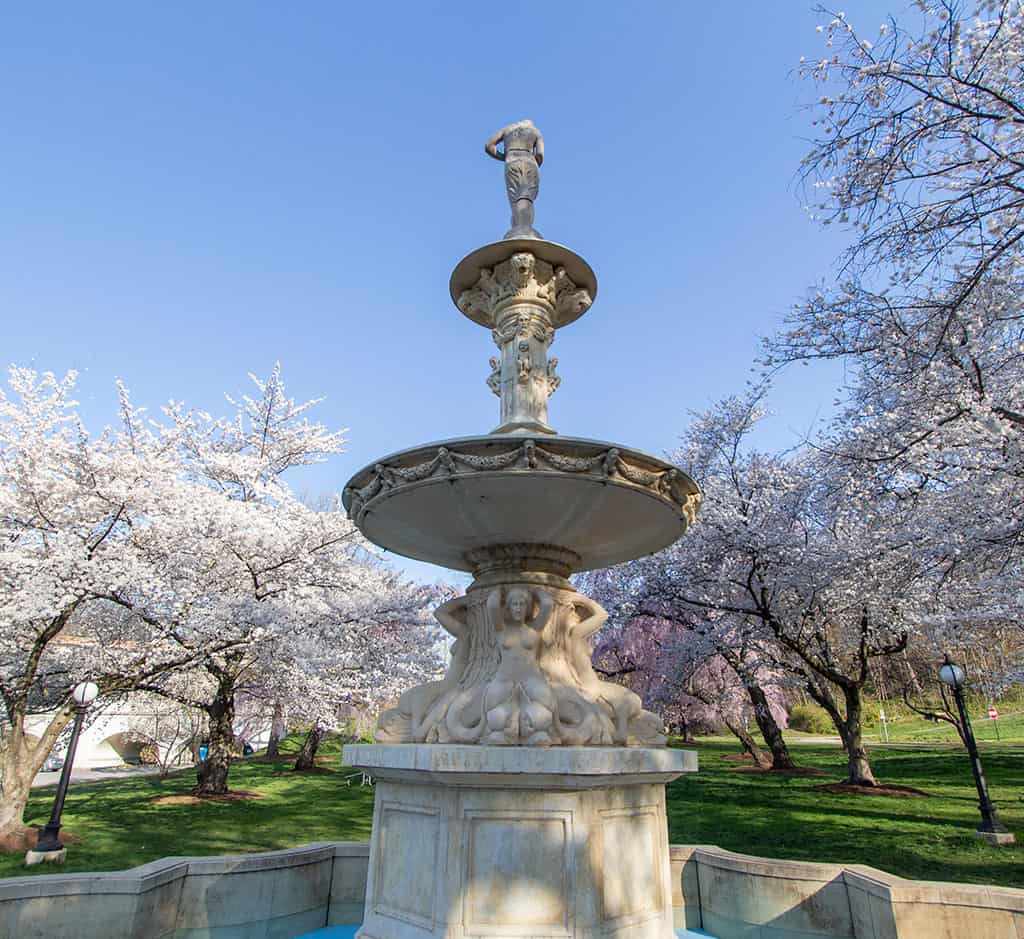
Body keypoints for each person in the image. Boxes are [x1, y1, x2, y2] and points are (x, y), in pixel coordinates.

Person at [484, 119, 544, 238]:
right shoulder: (535, 132)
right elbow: (540, 154)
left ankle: (518, 226)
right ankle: (524, 228)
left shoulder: (507, 129)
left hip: (511, 160)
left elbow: (488, 146)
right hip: (529, 159)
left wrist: (504, 157)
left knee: (515, 196)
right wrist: (536, 165)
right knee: (526, 196)